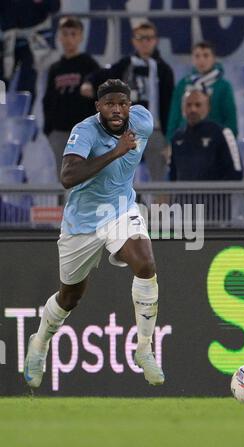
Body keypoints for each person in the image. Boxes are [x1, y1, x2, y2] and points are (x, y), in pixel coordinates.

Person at [24, 79, 165, 388]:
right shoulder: (85, 131)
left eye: (122, 103)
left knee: (146, 263)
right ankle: (40, 341)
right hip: (82, 222)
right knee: (69, 297)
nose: (117, 109)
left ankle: (144, 348)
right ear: (98, 106)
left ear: (130, 106)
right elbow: (68, 176)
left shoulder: (143, 121)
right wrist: (116, 151)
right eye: (110, 104)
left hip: (120, 210)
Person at [81, 21, 174, 181]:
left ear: (156, 40)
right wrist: (89, 81)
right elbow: (103, 74)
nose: (145, 42)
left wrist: (169, 138)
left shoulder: (164, 70)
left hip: (155, 130)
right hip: (126, 131)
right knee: (120, 177)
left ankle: (161, 207)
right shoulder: (125, 64)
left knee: (159, 179)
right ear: (133, 41)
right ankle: (126, 206)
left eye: (149, 38)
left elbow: (170, 106)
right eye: (141, 38)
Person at [43, 16, 103, 178]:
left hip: (83, 133)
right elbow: (48, 100)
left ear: (81, 37)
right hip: (59, 132)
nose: (69, 38)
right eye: (65, 34)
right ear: (59, 37)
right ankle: (64, 204)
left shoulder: (89, 65)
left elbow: (101, 98)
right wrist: (49, 129)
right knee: (63, 177)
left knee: (84, 177)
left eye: (73, 34)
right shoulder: (55, 69)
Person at [167, 41, 238, 143]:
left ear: (213, 58)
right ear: (192, 59)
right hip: (186, 139)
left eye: (206, 56)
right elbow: (174, 115)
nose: (201, 60)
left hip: (214, 140)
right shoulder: (183, 84)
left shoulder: (223, 86)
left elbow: (230, 118)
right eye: (197, 56)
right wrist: (170, 141)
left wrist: (228, 141)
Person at [170, 89, 242, 181]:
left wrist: (221, 194)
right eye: (188, 105)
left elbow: (236, 171)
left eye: (198, 105)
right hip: (184, 195)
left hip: (215, 195)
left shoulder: (223, 133)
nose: (193, 109)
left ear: (208, 108)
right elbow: (173, 174)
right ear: (183, 108)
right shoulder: (177, 137)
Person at [0, 0, 60, 101]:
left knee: (27, 80)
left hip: (35, 38)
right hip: (8, 36)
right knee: (2, 77)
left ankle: (23, 113)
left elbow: (55, 6)